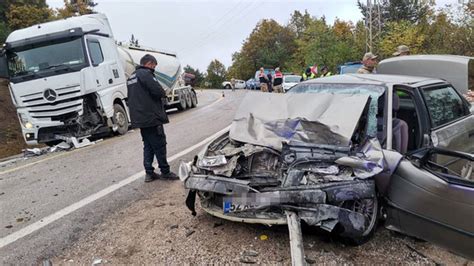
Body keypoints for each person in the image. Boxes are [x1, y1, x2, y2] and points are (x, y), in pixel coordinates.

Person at [126, 54, 178, 182]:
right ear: (149, 63)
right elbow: (158, 91)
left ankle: (149, 173)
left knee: (148, 145)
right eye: (154, 65)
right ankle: (165, 171)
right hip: (151, 117)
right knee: (160, 145)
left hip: (140, 118)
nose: (154, 68)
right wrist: (163, 92)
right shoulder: (146, 74)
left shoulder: (131, 77)